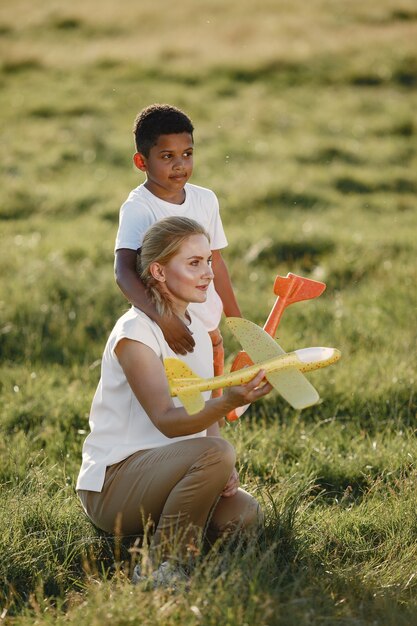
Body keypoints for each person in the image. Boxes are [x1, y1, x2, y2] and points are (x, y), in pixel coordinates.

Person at [77, 217, 272, 584]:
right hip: (114, 485)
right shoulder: (135, 332)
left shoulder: (196, 329)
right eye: (194, 263)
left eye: (209, 261)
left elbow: (199, 408)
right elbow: (166, 419)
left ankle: (169, 535)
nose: (209, 274)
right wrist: (227, 404)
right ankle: (161, 568)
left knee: (244, 513)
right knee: (216, 453)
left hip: (166, 473)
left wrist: (219, 471)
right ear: (159, 272)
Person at [114, 104, 241, 414]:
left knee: (212, 416)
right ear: (141, 161)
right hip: (169, 334)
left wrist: (237, 322)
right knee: (180, 417)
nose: (180, 165)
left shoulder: (205, 199)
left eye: (187, 154)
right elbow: (123, 271)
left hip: (207, 330)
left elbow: (217, 263)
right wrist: (165, 320)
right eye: (167, 157)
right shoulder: (139, 208)